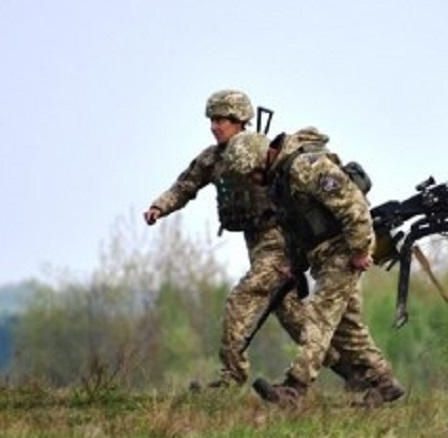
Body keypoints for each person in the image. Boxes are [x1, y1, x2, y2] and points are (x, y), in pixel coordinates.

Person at [143, 90, 356, 391]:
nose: (215, 126)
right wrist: (159, 207)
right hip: (254, 241)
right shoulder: (213, 159)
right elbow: (185, 185)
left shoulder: (263, 155)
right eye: (213, 120)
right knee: (292, 314)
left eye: (223, 120)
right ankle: (354, 371)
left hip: (279, 240)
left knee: (241, 300)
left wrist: (295, 255)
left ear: (241, 121)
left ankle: (231, 378)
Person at [221, 128, 406, 407]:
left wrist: (359, 250)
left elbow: (353, 205)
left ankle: (295, 387)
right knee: (347, 327)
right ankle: (384, 382)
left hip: (342, 251)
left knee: (319, 317)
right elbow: (296, 227)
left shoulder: (305, 167)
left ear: (263, 157)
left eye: (253, 172)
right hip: (323, 255)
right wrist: (293, 265)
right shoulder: (279, 178)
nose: (253, 180)